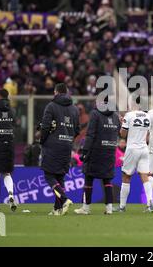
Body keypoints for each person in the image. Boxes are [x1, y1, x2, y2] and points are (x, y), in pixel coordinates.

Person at [116, 100, 153, 213]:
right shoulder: (147, 116)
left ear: (132, 105)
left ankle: (122, 207)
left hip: (132, 149)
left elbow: (123, 134)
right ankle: (150, 203)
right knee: (145, 176)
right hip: (144, 149)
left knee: (126, 176)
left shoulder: (129, 115)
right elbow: (147, 135)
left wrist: (123, 124)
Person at [74, 100, 121, 215]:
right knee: (107, 180)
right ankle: (109, 208)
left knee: (89, 179)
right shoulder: (115, 116)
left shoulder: (95, 114)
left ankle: (86, 208)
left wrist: (85, 151)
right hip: (110, 152)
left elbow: (90, 134)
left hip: (95, 151)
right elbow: (118, 133)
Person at [40, 83, 80, 216]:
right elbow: (77, 130)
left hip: (52, 145)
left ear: (56, 92)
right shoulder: (74, 109)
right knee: (60, 177)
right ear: (67, 92)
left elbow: (45, 127)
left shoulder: (51, 106)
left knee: (49, 175)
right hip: (67, 145)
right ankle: (57, 209)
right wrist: (68, 139)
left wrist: (42, 140)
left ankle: (64, 199)